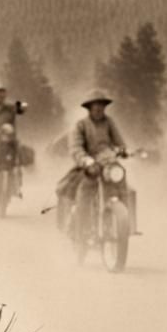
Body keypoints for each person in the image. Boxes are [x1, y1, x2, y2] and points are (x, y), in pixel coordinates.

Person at [57, 90, 137, 233]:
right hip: (89, 166)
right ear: (89, 108)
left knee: (125, 187)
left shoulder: (109, 122)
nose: (99, 108)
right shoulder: (80, 125)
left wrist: (124, 151)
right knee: (83, 190)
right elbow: (75, 147)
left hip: (109, 164)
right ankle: (81, 228)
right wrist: (85, 159)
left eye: (101, 105)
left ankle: (126, 226)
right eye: (95, 105)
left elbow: (119, 142)